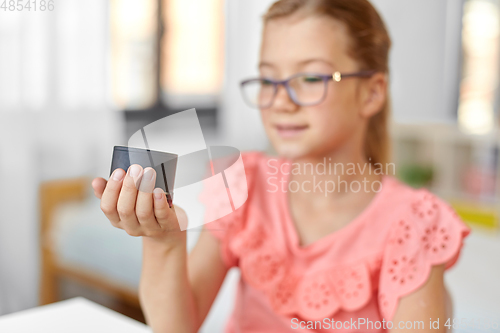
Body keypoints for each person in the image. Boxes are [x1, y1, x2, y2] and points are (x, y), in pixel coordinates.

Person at [92, 0, 470, 332]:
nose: (280, 101)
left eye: (309, 78)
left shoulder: (415, 224)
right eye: (269, 79)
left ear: (371, 93)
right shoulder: (245, 181)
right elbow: (177, 326)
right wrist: (164, 242)